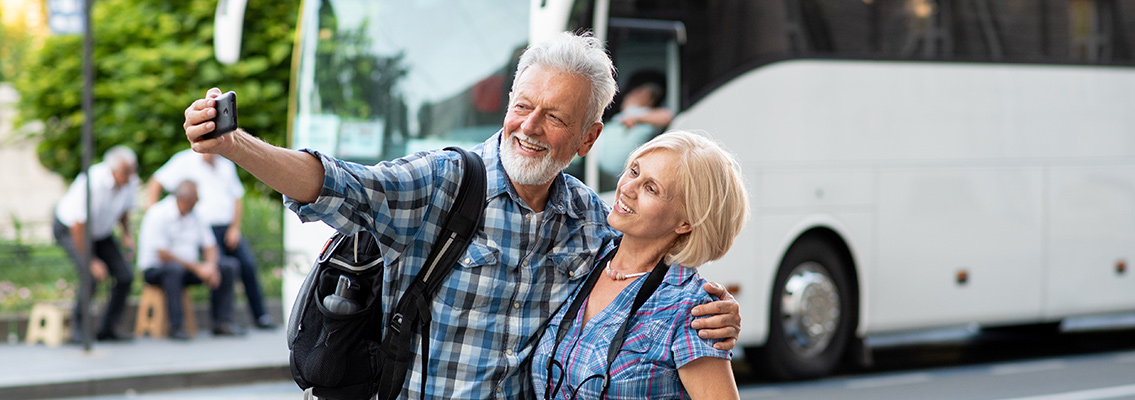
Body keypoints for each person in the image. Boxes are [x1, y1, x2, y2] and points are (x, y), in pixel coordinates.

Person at [182, 31, 740, 399]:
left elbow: (651, 270)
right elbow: (336, 182)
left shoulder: (591, 221)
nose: (528, 126)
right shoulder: (445, 183)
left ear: (590, 136)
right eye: (522, 106)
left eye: (553, 116)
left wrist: (716, 314)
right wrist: (235, 145)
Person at [532, 131, 747, 399]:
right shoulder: (586, 254)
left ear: (685, 222)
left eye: (651, 188)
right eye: (634, 171)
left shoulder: (692, 310)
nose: (627, 188)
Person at [146, 150, 275, 329]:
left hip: (226, 228)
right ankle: (220, 322)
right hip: (204, 226)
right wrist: (154, 216)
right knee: (220, 266)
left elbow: (237, 197)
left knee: (246, 265)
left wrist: (235, 228)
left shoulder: (226, 165)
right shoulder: (184, 161)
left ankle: (260, 316)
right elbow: (156, 182)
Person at [52, 145, 139, 343]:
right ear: (113, 170)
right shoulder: (93, 182)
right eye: (126, 172)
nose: (130, 176)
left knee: (125, 276)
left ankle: (107, 328)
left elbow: (124, 210)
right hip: (71, 229)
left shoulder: (130, 182)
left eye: (132, 171)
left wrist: (126, 235)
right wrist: (91, 260)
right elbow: (77, 225)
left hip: (101, 231)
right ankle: (78, 331)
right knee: (90, 276)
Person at [137, 180, 244, 340]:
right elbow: (163, 254)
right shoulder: (158, 214)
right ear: (185, 200)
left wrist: (211, 267)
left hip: (188, 269)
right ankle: (176, 327)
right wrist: (197, 268)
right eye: (195, 200)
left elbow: (210, 245)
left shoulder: (196, 215)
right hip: (157, 270)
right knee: (174, 270)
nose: (198, 203)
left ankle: (223, 323)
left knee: (228, 266)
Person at [594, 79, 675, 186]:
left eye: (637, 92)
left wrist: (636, 119)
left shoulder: (643, 115)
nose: (629, 96)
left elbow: (667, 116)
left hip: (615, 179)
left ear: (647, 98)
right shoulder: (619, 117)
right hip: (601, 176)